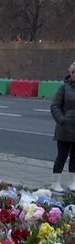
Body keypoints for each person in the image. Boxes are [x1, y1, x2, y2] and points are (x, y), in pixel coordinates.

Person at [50, 61, 75, 192]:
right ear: (70, 73)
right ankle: (55, 183)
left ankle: (72, 182)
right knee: (62, 156)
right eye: (73, 72)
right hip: (64, 129)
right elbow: (55, 106)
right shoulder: (64, 88)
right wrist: (61, 120)